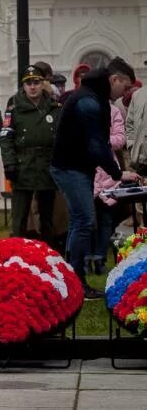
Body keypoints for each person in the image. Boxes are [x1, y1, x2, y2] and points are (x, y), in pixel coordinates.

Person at [50, 57, 140, 299]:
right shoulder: (90, 102)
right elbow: (97, 145)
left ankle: (70, 279)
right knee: (85, 221)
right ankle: (76, 282)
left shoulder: (91, 96)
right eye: (126, 86)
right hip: (71, 168)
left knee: (79, 221)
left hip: (74, 167)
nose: (125, 93)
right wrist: (118, 173)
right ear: (114, 80)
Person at [0, 65, 60, 246]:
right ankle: (18, 251)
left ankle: (49, 252)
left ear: (43, 84)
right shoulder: (15, 108)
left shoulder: (53, 107)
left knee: (47, 215)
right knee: (20, 215)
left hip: (47, 166)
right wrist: (9, 164)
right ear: (23, 86)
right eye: (28, 83)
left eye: (36, 82)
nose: (32, 86)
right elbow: (6, 139)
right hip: (22, 166)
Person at [91, 102, 127, 274]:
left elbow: (120, 138)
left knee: (106, 220)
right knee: (86, 222)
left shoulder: (113, 110)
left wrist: (101, 140)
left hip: (107, 171)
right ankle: (84, 260)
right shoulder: (79, 109)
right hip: (86, 171)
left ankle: (100, 260)